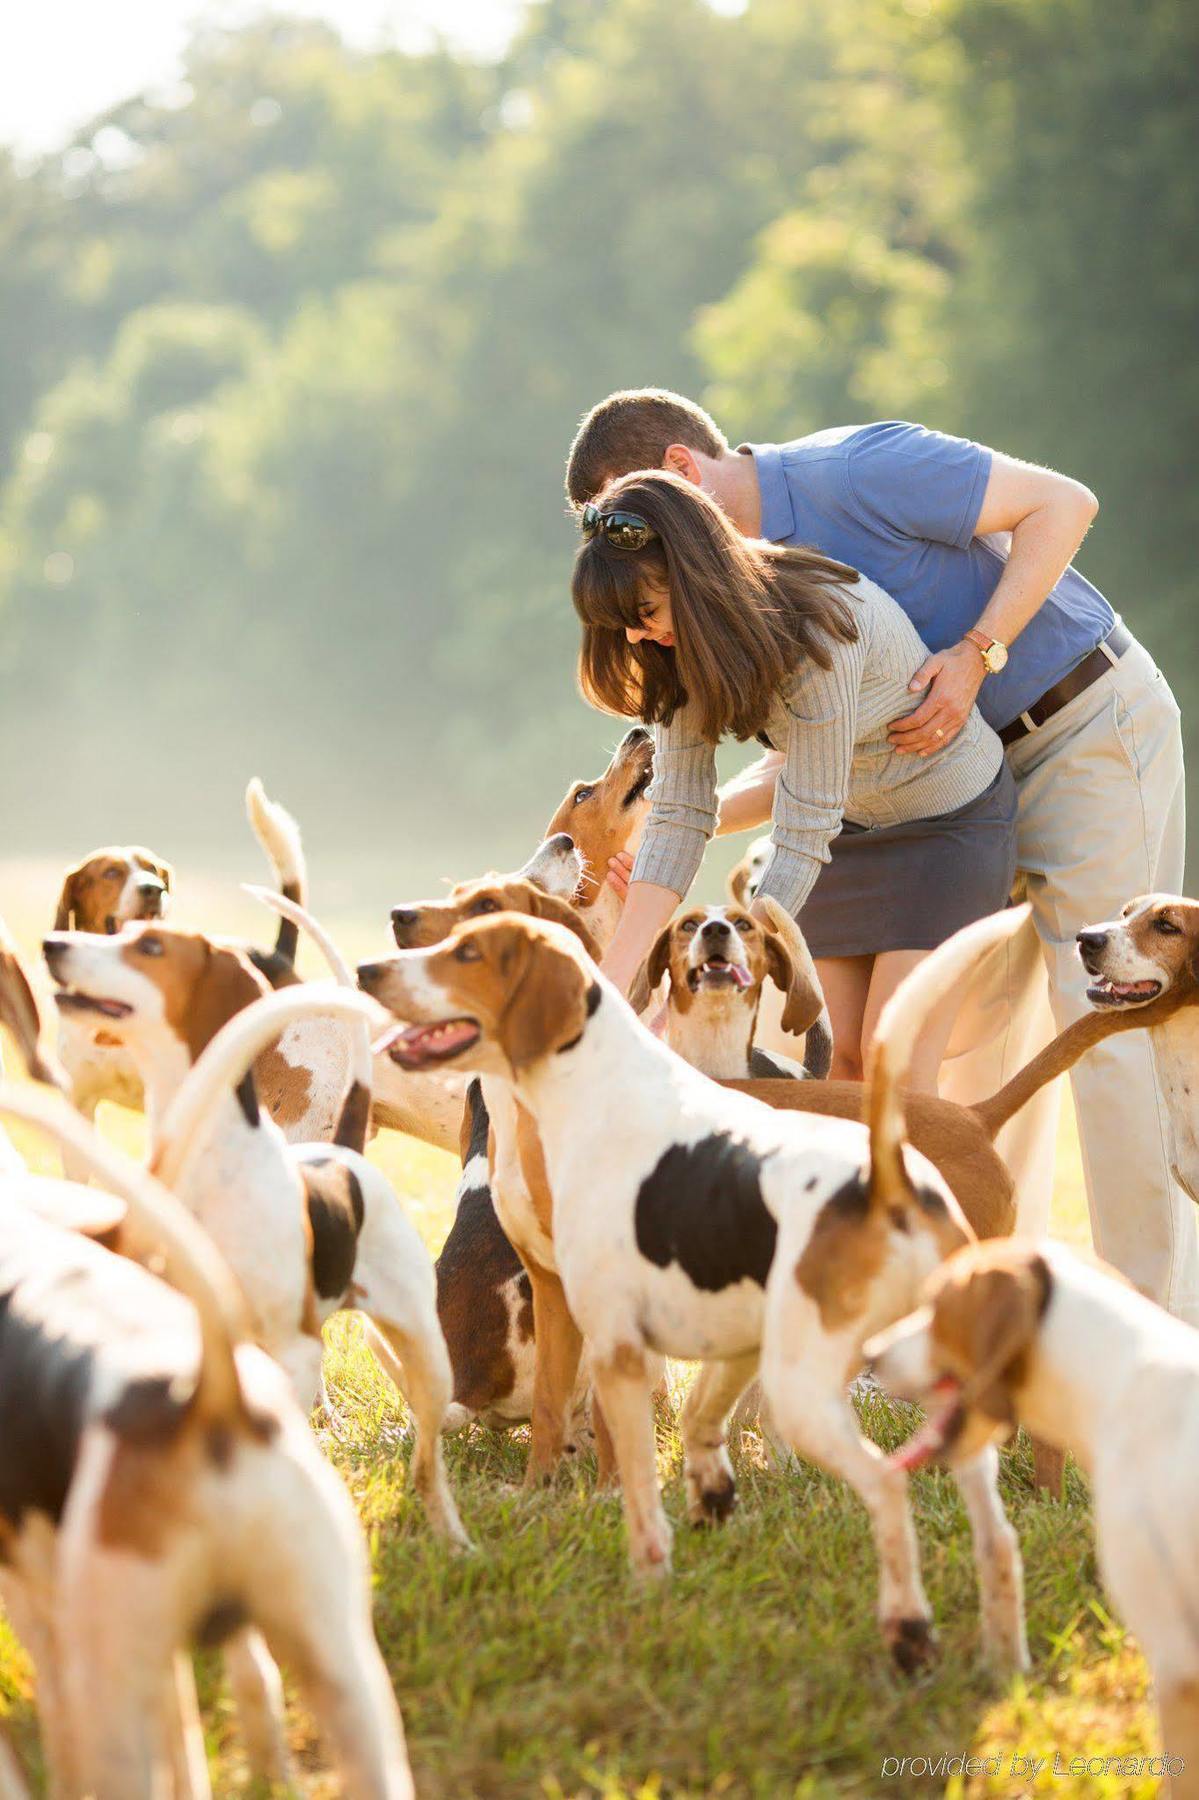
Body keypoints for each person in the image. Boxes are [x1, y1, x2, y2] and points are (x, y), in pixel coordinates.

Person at [566, 389, 1197, 1325]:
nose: (626, 545)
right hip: (917, 780)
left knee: (1101, 1024)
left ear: (681, 477)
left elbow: (1063, 502)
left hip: (1070, 724)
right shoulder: (719, 609)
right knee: (963, 1072)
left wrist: (975, 649)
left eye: (632, 516)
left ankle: (1156, 1340)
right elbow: (818, 760)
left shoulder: (855, 473)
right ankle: (992, 1311)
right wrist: (648, 881)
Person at [571, 469, 1017, 1092]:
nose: (635, 635)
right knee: (839, 1067)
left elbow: (804, 826)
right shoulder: (674, 651)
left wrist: (713, 981)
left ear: (692, 577)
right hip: (848, 832)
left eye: (643, 611)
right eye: (621, 623)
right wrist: (611, 994)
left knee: (893, 1061)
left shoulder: (816, 634)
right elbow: (680, 812)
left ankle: (914, 1191)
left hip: (948, 829)